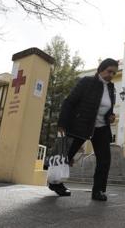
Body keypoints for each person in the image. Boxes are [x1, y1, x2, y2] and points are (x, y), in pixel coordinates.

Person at [50, 58, 118, 201]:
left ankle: (98, 191)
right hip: (81, 124)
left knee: (104, 160)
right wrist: (62, 124)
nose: (111, 75)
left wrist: (110, 116)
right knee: (67, 155)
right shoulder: (86, 82)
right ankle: (55, 183)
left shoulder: (111, 88)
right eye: (109, 71)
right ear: (101, 69)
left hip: (101, 127)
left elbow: (107, 108)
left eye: (114, 72)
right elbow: (69, 102)